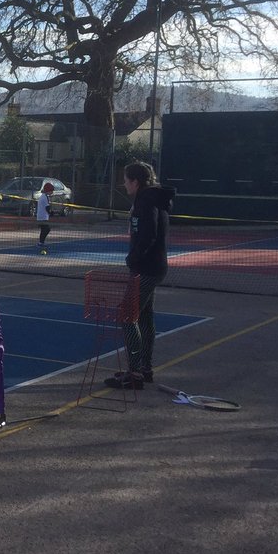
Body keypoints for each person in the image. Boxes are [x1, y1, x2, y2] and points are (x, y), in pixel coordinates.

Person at [105, 161, 176, 390]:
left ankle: (134, 372)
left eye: (126, 180)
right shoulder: (150, 198)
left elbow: (149, 234)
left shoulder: (146, 200)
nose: (124, 184)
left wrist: (133, 258)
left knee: (126, 315)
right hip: (153, 266)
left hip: (146, 268)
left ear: (135, 181)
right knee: (144, 316)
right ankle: (144, 367)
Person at [35, 181, 55, 254]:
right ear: (48, 190)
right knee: (46, 229)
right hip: (42, 217)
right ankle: (41, 243)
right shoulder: (44, 197)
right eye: (51, 191)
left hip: (42, 216)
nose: (52, 192)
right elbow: (47, 207)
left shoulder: (44, 196)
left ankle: (41, 243)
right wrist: (51, 213)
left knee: (44, 229)